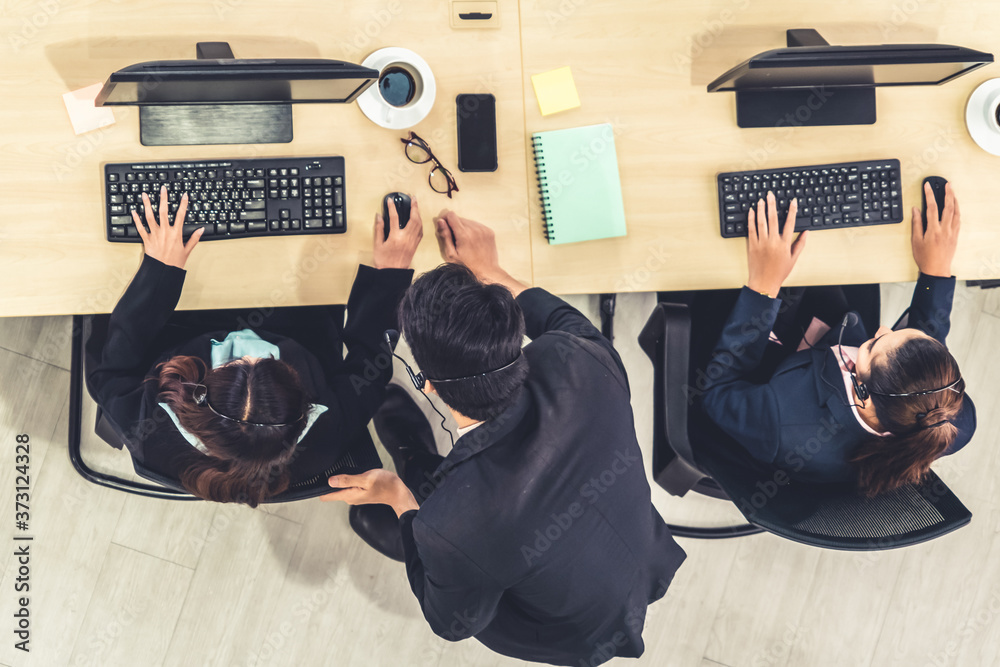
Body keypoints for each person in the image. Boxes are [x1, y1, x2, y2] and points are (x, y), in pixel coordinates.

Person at [321, 212, 686, 667]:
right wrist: (493, 273)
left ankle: (411, 469)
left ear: (427, 384)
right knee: (458, 516)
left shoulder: (453, 524)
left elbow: (450, 622)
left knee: (432, 515)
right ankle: (413, 455)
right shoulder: (581, 358)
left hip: (557, 628)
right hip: (630, 548)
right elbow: (562, 319)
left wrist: (397, 497)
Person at [85, 188, 423, 506]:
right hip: (296, 319)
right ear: (305, 411)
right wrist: (390, 277)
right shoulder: (326, 436)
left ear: (198, 399)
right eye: (263, 363)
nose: (250, 350)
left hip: (181, 322)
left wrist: (160, 273)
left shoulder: (148, 430)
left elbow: (109, 372)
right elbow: (371, 366)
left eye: (236, 365)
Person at [695, 183, 976, 495]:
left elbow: (717, 393)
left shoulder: (781, 421)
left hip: (772, 378)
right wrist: (935, 274)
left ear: (862, 391)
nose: (883, 329)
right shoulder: (951, 420)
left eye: (873, 345)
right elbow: (922, 367)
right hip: (828, 343)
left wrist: (762, 288)